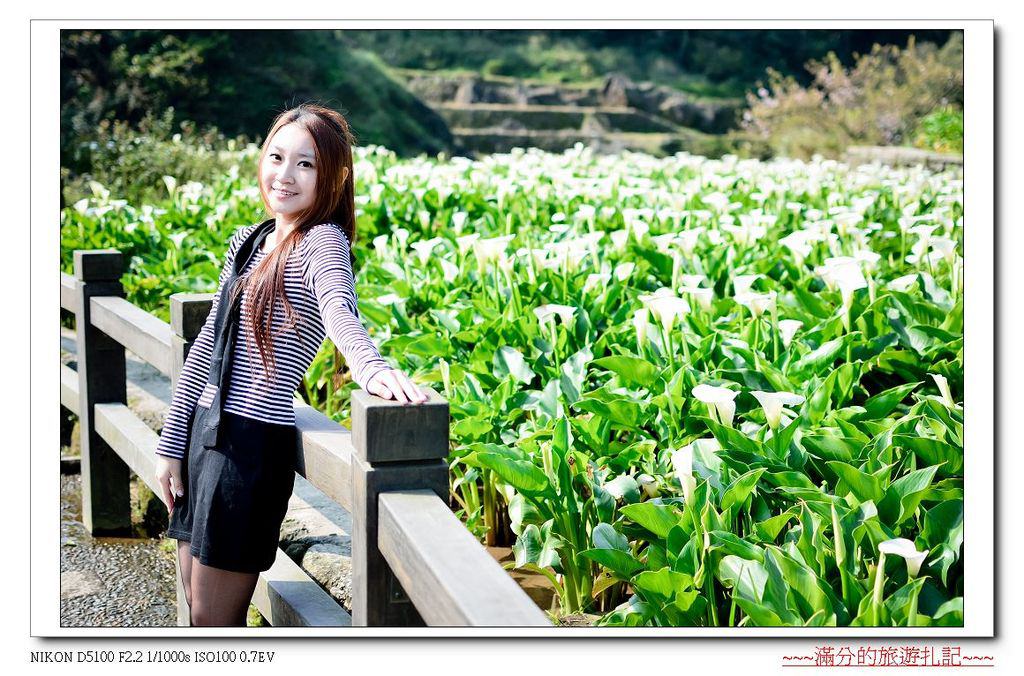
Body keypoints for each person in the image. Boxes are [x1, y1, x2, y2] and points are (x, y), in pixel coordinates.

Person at [152, 103, 427, 626]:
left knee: (214, 621)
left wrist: (370, 369)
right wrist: (171, 446)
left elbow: (338, 309)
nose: (285, 174)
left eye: (306, 164)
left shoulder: (323, 241)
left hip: (249, 451)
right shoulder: (251, 239)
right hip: (203, 440)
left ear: (333, 175)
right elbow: (208, 341)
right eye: (277, 157)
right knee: (192, 598)